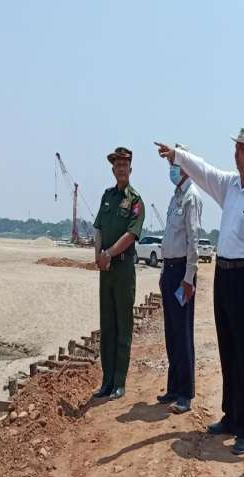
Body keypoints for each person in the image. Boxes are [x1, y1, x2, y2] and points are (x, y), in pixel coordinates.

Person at [155, 128, 244, 455]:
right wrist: (178, 156)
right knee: (227, 349)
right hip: (224, 274)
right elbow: (204, 171)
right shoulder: (230, 186)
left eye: (242, 149)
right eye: (236, 148)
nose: (236, 154)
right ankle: (230, 415)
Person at [92, 147, 146, 401]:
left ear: (130, 169)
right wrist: (98, 255)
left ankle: (119, 382)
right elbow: (98, 228)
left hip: (123, 268)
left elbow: (131, 235)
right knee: (107, 326)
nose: (121, 169)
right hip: (106, 270)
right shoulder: (107, 196)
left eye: (125, 165)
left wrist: (109, 254)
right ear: (113, 170)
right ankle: (106, 381)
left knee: (123, 326)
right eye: (117, 165)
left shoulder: (136, 201)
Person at [158, 144, 203, 414]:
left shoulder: (191, 197)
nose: (172, 170)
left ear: (186, 166)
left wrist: (189, 277)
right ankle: (173, 387)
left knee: (183, 332)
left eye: (175, 165)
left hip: (183, 273)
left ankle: (185, 393)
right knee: (172, 332)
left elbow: (193, 241)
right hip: (170, 270)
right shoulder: (176, 196)